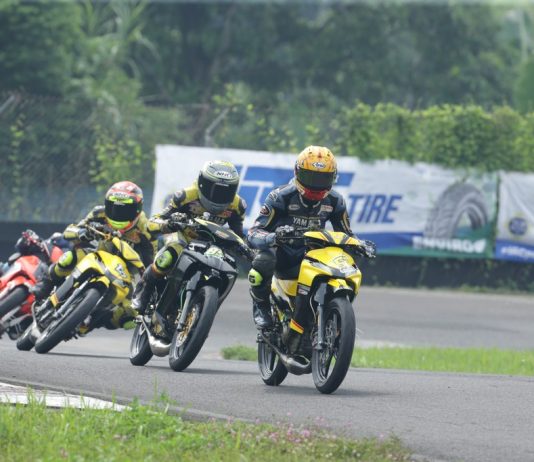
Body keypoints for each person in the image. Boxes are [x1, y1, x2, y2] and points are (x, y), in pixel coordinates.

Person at [247, 146, 375, 353]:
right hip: (284, 256)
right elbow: (254, 232)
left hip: (314, 255)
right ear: (297, 172)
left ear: (333, 178)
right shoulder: (280, 196)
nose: (316, 185)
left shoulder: (336, 201)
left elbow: (346, 233)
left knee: (346, 259)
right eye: (310, 177)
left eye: (323, 179)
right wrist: (274, 236)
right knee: (263, 261)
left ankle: (331, 318)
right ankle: (262, 310)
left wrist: (360, 245)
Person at [34, 181, 156, 329]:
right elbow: (69, 231)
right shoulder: (99, 212)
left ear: (137, 209)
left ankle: (93, 320)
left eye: (125, 210)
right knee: (70, 258)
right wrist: (82, 232)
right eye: (114, 207)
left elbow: (151, 264)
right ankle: (46, 283)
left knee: (130, 315)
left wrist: (145, 280)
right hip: (98, 255)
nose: (118, 213)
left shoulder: (146, 229)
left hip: (124, 273)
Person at [132, 160, 246, 313]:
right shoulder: (186, 196)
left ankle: (205, 306)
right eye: (215, 189)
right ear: (202, 184)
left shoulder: (237, 205)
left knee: (228, 268)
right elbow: (152, 223)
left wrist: (248, 247)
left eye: (226, 191)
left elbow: (239, 234)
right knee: (168, 257)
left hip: (213, 246)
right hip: (183, 238)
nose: (220, 195)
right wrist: (168, 224)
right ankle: (143, 293)